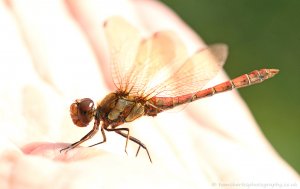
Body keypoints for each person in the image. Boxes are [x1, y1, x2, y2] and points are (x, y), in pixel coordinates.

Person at [0, 0, 298, 188]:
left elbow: (100, 134)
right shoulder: (108, 115)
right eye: (84, 109)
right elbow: (105, 134)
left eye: (85, 110)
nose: (84, 111)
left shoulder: (109, 113)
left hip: (155, 98)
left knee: (132, 138)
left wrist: (73, 145)